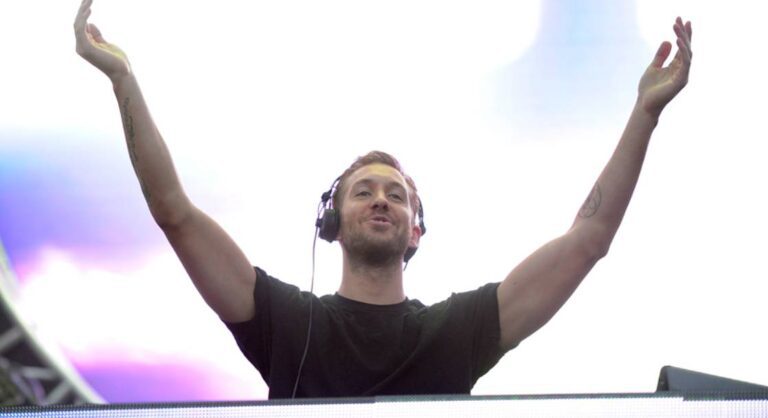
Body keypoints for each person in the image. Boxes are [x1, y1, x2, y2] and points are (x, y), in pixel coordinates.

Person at [73, 0, 693, 399]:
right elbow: (175, 213)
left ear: (415, 230)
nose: (381, 201)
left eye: (397, 195)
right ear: (332, 221)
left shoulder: (457, 331)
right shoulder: (287, 322)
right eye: (363, 191)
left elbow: (587, 240)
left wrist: (644, 114)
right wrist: (122, 79)